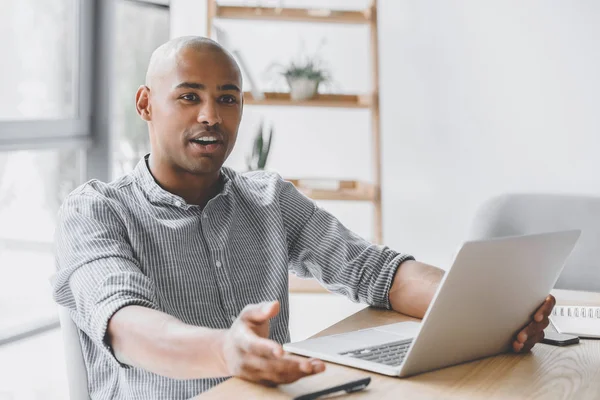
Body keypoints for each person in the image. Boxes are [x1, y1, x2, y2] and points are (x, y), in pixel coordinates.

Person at [52, 36, 554, 400]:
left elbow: (375, 271)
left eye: (227, 98)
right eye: (189, 96)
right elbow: (126, 323)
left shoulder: (269, 198)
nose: (211, 115)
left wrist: (486, 311)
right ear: (145, 105)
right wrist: (226, 351)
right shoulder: (96, 210)